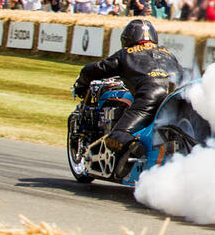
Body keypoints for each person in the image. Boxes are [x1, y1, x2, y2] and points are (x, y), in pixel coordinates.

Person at [72, 19, 184, 162]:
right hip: (173, 97)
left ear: (128, 37)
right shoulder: (167, 53)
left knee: (117, 135)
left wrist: (81, 84)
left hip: (150, 96)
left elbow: (95, 69)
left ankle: (134, 149)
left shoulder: (126, 53)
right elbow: (182, 73)